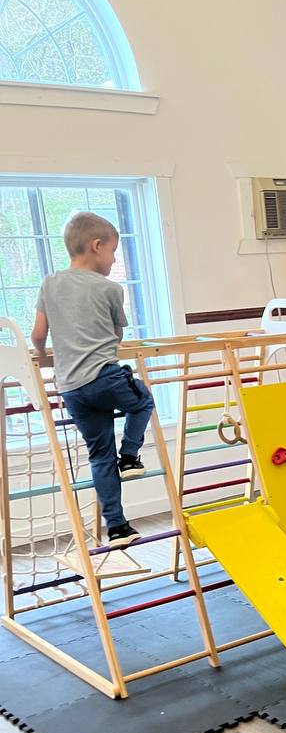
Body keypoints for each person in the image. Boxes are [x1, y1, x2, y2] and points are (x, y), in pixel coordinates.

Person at [31, 212, 154, 548]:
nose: (114, 260)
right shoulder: (110, 289)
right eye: (113, 252)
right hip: (104, 377)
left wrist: (44, 359)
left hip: (71, 387)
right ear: (96, 246)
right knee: (143, 401)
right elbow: (116, 336)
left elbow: (39, 334)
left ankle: (117, 528)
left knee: (100, 455)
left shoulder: (49, 283)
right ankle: (130, 456)